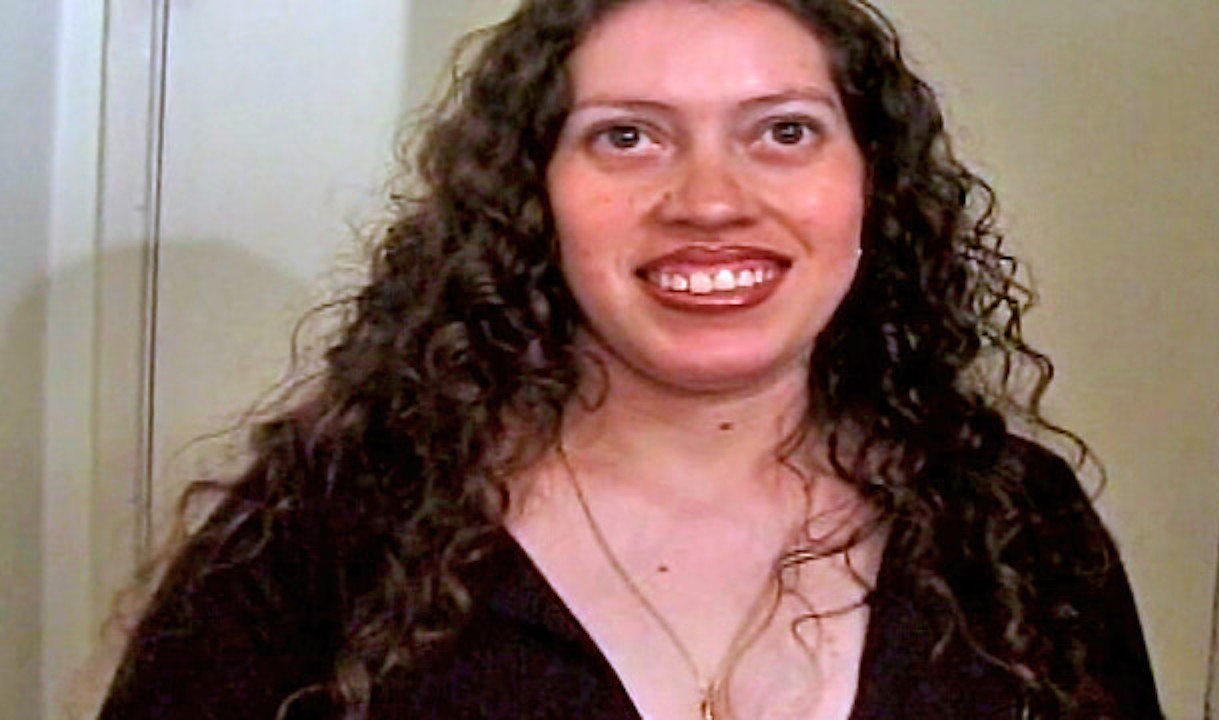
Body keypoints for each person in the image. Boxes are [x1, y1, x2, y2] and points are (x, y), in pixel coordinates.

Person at [97, 0, 1163, 718]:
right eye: (627, 137)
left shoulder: (1016, 526)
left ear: (870, 185)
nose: (709, 200)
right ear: (531, 195)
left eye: (784, 132)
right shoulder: (329, 531)